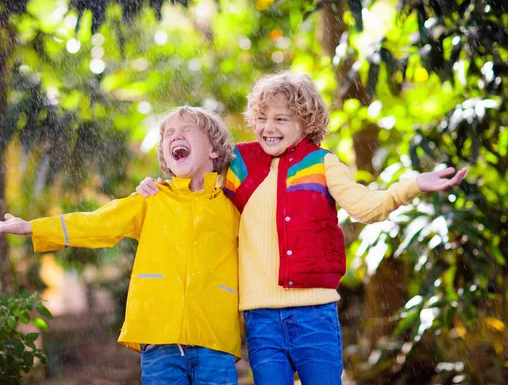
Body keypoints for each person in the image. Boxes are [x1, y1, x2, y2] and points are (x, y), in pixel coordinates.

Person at [135, 72, 467, 384]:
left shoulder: (322, 163)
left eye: (281, 119)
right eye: (262, 118)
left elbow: (366, 207)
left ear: (306, 124)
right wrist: (156, 185)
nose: (268, 127)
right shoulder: (239, 162)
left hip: (314, 314)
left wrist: (411, 186)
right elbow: (195, 180)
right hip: (260, 319)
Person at [0, 106, 241, 385]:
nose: (175, 136)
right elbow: (95, 223)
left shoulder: (233, 209)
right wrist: (32, 226)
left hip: (215, 341)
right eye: (169, 133)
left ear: (213, 150)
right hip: (158, 341)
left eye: (187, 130)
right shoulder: (150, 200)